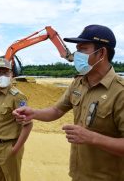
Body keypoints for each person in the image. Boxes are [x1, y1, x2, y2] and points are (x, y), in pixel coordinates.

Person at [13, 25, 124, 181]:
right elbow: (57, 111)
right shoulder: (78, 83)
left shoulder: (120, 92)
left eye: (83, 49)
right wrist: (34, 113)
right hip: (77, 175)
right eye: (76, 49)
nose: (76, 54)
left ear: (102, 53)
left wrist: (92, 138)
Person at [0, 58, 33, 181]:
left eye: (5, 72)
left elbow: (28, 124)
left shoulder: (18, 97)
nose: (2, 75)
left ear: (11, 74)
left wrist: (16, 149)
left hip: (9, 147)